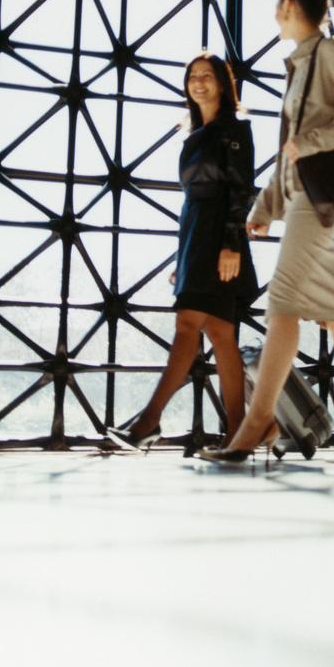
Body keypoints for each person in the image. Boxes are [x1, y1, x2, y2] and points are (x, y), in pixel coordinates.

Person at [197, 0, 334, 466]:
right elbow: (291, 147)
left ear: (288, 4)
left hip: (314, 200)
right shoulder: (300, 64)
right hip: (301, 197)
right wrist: (266, 205)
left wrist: (313, 141)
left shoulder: (330, 53)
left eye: (276, 6)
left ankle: (258, 423)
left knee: (283, 303)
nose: (275, 15)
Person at [108, 53, 258, 447]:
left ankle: (149, 421)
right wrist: (183, 257)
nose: (199, 82)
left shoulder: (235, 129)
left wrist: (231, 245)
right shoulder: (194, 134)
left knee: (188, 326)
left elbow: (241, 188)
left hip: (218, 236)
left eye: (207, 75)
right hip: (196, 236)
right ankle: (240, 430)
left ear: (223, 84)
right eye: (192, 76)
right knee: (221, 333)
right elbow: (192, 200)